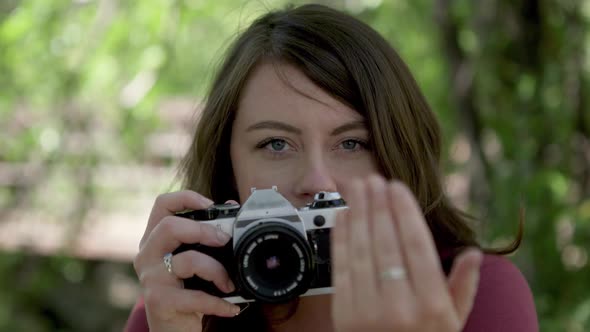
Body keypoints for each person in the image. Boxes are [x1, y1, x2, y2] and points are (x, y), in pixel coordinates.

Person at [125, 4, 538, 332]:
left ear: (398, 155)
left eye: (352, 143)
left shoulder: (472, 295)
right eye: (276, 144)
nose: (317, 181)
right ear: (228, 163)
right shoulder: (179, 306)